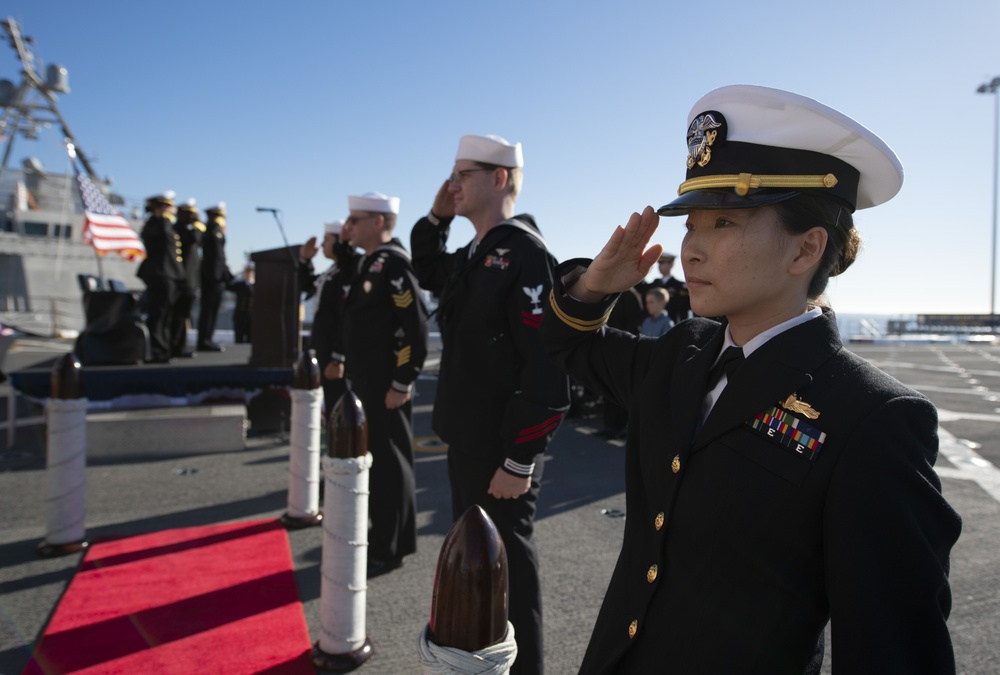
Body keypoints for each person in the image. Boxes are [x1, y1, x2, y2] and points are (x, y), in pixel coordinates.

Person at [541, 85, 962, 674]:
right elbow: (564, 342)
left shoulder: (872, 419)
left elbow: (894, 648)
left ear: (805, 250)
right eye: (691, 225)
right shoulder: (682, 357)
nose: (692, 249)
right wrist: (592, 287)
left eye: (724, 222)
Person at [411, 134, 570, 675]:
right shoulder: (477, 254)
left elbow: (548, 367)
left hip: (503, 449)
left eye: (463, 174)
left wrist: (519, 459)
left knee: (508, 572)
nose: (451, 184)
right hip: (467, 438)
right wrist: (436, 216)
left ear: (499, 178)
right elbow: (427, 268)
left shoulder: (524, 254)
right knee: (476, 572)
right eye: (450, 175)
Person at [329, 193, 428, 576]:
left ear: (378, 222)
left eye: (355, 219)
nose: (348, 226)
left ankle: (393, 545)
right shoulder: (370, 262)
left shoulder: (394, 264)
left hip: (387, 384)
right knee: (377, 463)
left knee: (390, 465)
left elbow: (414, 327)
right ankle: (381, 533)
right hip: (366, 381)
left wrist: (402, 381)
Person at [297, 220, 359, 417]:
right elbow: (308, 286)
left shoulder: (350, 271)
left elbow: (346, 317)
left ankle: (343, 447)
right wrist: (305, 261)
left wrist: (337, 357)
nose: (322, 245)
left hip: (338, 353)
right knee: (331, 404)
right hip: (324, 347)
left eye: (327, 239)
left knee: (341, 405)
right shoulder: (333, 271)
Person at [136, 190, 183, 363]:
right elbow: (159, 237)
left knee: (165, 315)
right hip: (159, 274)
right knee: (158, 315)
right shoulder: (155, 224)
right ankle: (156, 351)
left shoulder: (166, 224)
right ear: (160, 208)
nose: (173, 210)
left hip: (169, 274)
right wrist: (162, 217)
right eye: (169, 206)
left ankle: (163, 349)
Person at [170, 198, 205, 357]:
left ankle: (179, 346)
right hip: (182, 281)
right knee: (178, 316)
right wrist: (198, 224)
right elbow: (195, 239)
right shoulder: (179, 230)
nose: (193, 217)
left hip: (188, 280)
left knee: (183, 315)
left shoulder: (185, 229)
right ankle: (175, 347)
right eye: (190, 214)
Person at [198, 201, 232, 352]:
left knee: (213, 310)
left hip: (217, 276)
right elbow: (214, 256)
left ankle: (207, 339)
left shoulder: (216, 230)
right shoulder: (211, 230)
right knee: (208, 310)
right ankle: (204, 341)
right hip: (212, 276)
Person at [648, 252, 691, 323]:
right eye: (659, 263)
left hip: (675, 325)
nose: (660, 266)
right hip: (655, 325)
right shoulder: (654, 284)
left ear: (671, 264)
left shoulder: (680, 286)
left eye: (663, 263)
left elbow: (684, 308)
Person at [228, 262, 255, 344]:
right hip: (240, 316)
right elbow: (228, 286)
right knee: (238, 339)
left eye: (250, 272)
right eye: (247, 272)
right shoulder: (240, 285)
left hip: (252, 317)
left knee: (251, 340)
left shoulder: (257, 286)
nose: (248, 274)